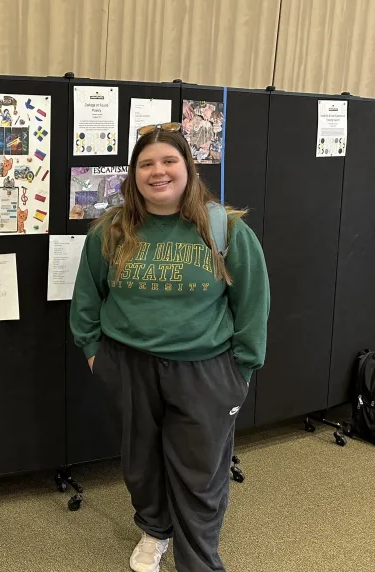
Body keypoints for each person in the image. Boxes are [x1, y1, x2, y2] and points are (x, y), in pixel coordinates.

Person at [70, 125, 269, 572]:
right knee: (141, 464)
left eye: (168, 161)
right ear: (133, 175)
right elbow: (88, 299)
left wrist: (241, 371)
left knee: (200, 473)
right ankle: (155, 529)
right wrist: (94, 354)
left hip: (205, 370)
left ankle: (198, 560)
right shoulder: (111, 231)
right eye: (146, 164)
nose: (157, 171)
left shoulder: (226, 229)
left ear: (188, 168)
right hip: (128, 367)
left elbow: (253, 304)